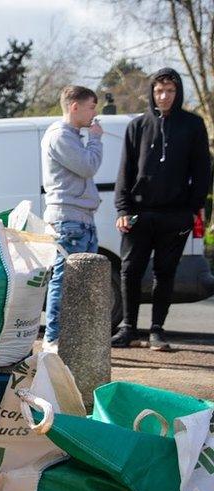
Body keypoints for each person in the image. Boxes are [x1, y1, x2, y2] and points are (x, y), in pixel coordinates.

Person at [112, 68, 212, 351]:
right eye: (158, 91)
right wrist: (122, 210)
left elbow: (203, 170)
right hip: (139, 213)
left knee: (165, 273)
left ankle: (157, 329)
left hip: (175, 215)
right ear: (152, 93)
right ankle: (128, 328)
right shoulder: (137, 126)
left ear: (177, 93)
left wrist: (192, 209)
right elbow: (125, 171)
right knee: (130, 271)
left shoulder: (192, 125)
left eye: (169, 91)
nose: (164, 96)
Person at [41, 86, 104, 352]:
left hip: (82, 219)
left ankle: (76, 342)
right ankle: (54, 340)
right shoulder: (60, 136)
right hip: (68, 220)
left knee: (83, 284)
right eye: (91, 107)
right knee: (65, 280)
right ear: (74, 107)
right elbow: (88, 165)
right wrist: (96, 139)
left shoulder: (73, 136)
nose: (94, 114)